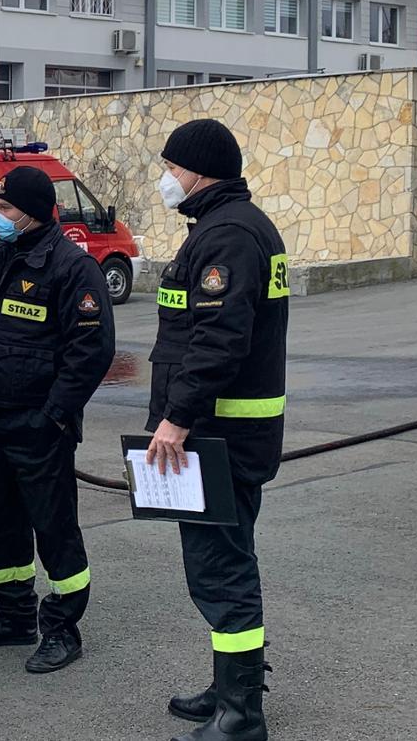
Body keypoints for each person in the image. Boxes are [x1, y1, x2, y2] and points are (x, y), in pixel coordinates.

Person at [0, 165, 116, 674]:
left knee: (54, 530)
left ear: (33, 212)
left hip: (39, 426)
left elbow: (91, 350)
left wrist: (55, 415)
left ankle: (62, 629)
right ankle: (14, 617)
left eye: (6, 209)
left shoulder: (71, 268)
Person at [145, 119, 288, 741]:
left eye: (172, 168)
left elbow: (218, 341)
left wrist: (176, 420)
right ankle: (231, 687)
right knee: (226, 562)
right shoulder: (230, 226)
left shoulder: (227, 235)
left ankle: (240, 717)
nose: (167, 178)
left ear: (200, 171)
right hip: (222, 434)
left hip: (217, 437)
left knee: (220, 571)